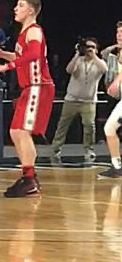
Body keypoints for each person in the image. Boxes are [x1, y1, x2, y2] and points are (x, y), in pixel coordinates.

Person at [0, 0, 55, 197]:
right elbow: (24, 57)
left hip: (38, 85)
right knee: (17, 132)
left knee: (20, 131)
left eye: (20, 5)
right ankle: (28, 177)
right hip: (31, 87)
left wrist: (6, 66)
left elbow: (34, 55)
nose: (15, 9)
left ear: (31, 10)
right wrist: (3, 54)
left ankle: (29, 179)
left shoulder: (34, 31)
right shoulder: (25, 33)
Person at [51, 38, 106, 163]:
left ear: (96, 49)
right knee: (63, 125)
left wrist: (94, 56)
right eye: (87, 47)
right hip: (72, 99)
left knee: (89, 126)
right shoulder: (78, 61)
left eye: (92, 47)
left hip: (89, 101)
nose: (89, 49)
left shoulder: (99, 63)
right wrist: (77, 54)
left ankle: (89, 149)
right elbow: (69, 70)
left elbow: (104, 70)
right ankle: (56, 149)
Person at [99, 21, 122, 178]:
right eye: (118, 32)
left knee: (109, 128)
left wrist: (116, 81)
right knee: (109, 129)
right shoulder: (118, 52)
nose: (119, 35)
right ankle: (116, 165)